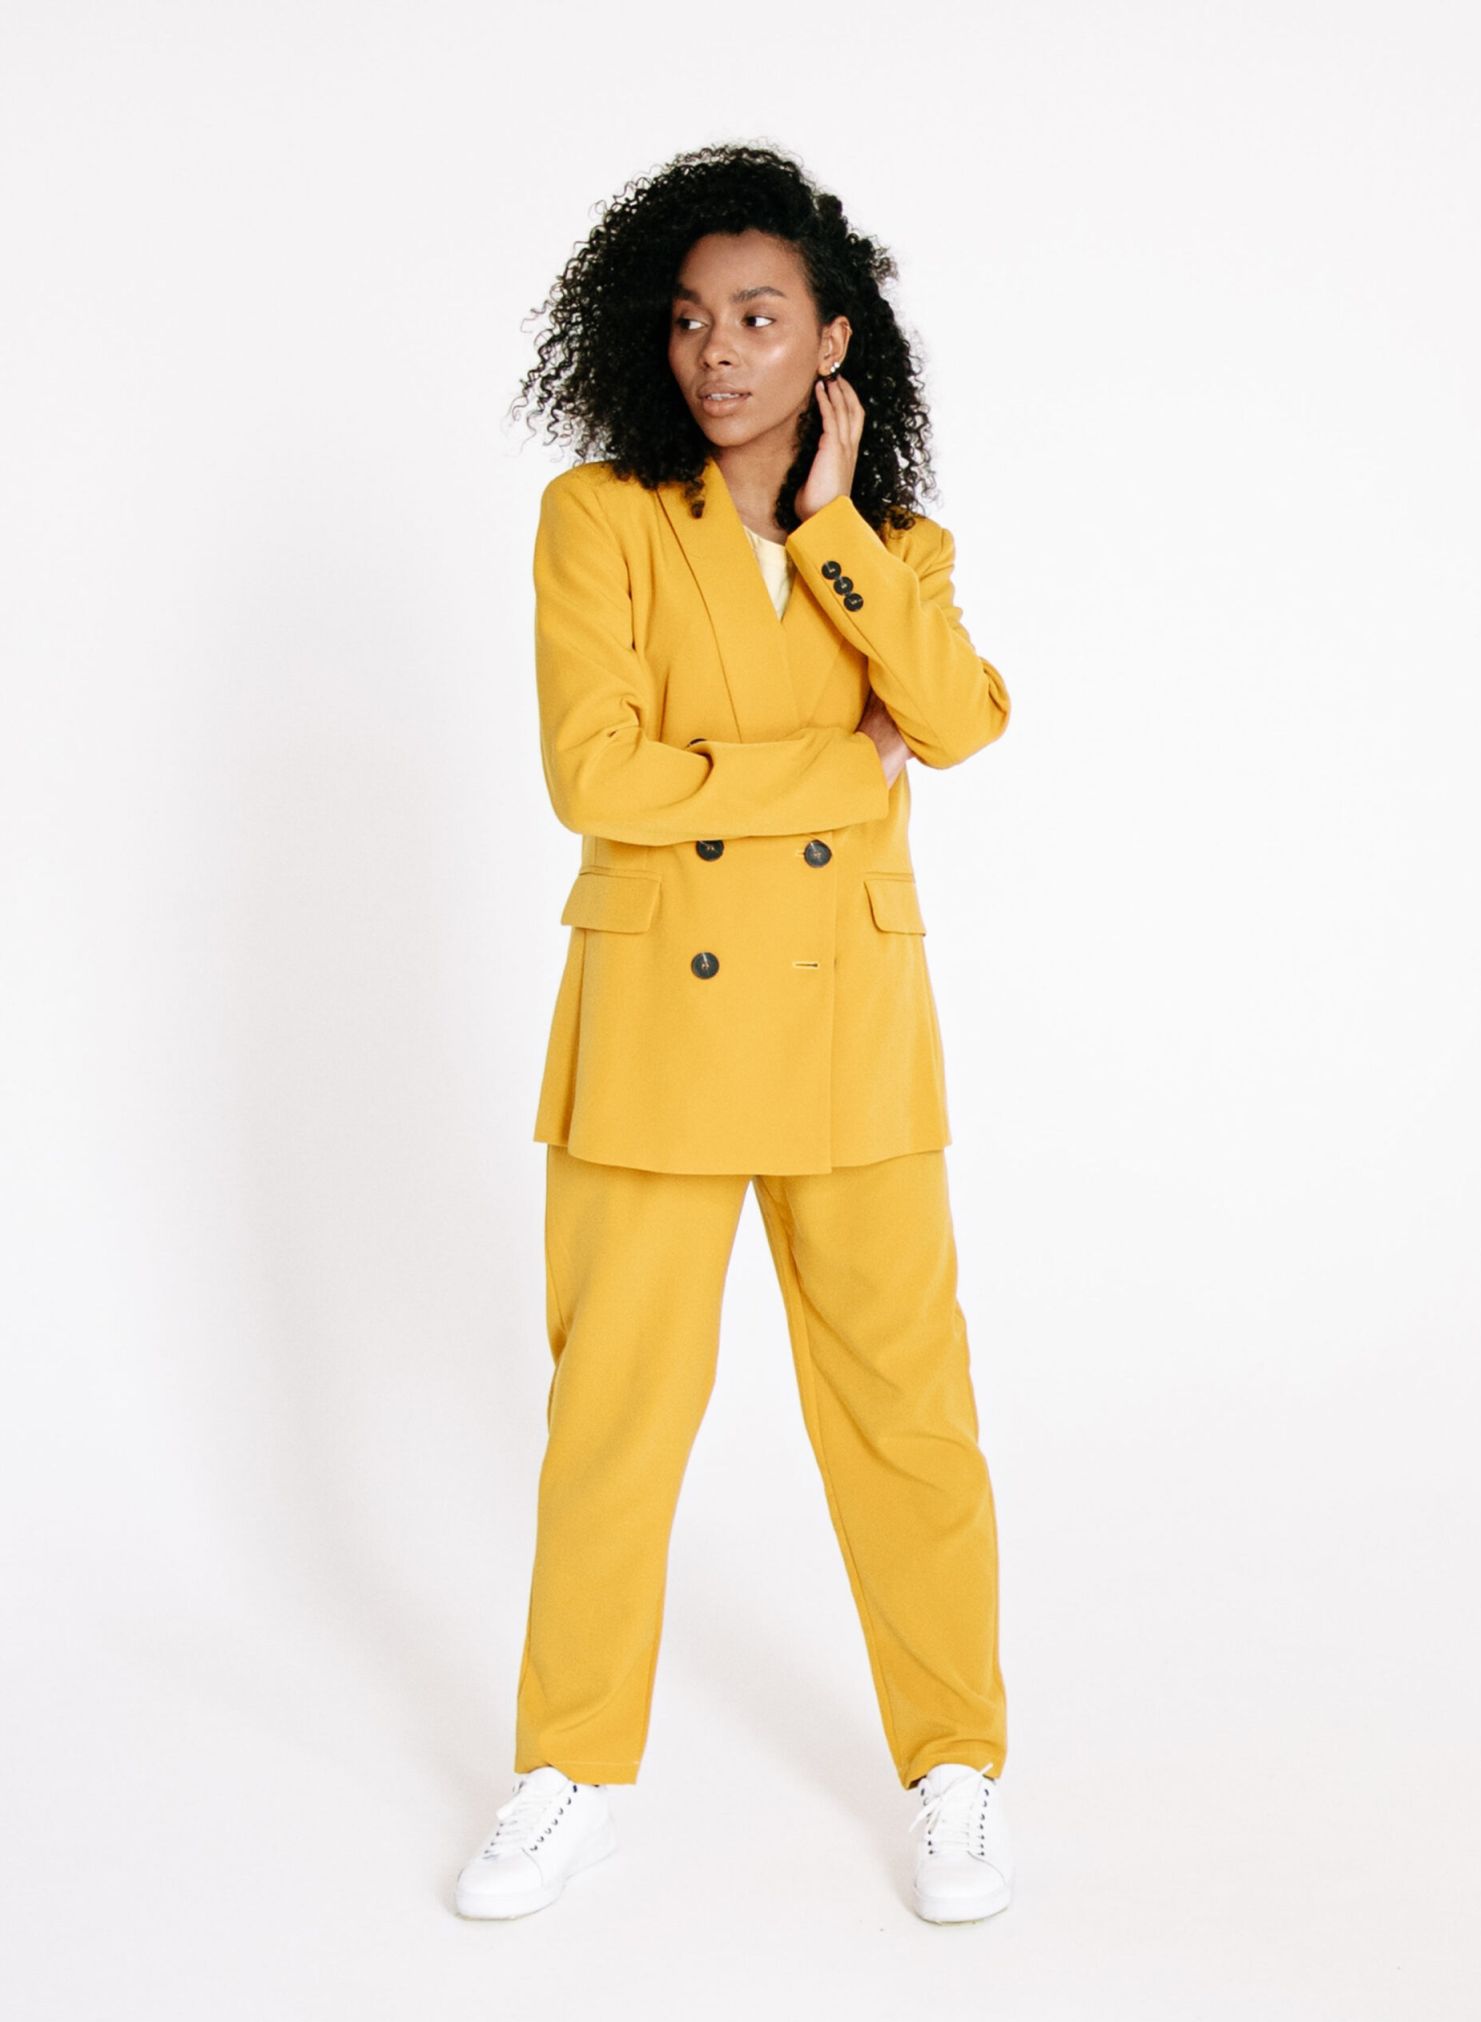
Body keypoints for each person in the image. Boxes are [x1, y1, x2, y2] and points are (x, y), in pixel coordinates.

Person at [455, 141, 1014, 1926]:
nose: (719, 351)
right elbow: (595, 776)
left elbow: (960, 720)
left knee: (907, 1416)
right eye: (694, 318)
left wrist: (832, 530)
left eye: (762, 318)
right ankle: (569, 1770)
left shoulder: (896, 548)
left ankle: (957, 1765)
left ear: (832, 342)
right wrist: (837, 782)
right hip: (656, 1037)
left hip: (851, 1030)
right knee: (613, 1417)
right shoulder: (601, 517)